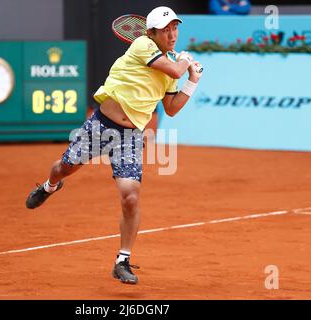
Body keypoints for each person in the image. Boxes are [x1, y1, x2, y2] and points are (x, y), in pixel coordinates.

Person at [25, 6, 203, 285]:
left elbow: (171, 108)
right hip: (100, 125)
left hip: (131, 137)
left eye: (175, 28)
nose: (172, 34)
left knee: (130, 196)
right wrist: (184, 63)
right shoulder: (143, 45)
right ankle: (48, 186)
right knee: (65, 167)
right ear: (152, 33)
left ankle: (122, 260)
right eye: (166, 29)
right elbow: (173, 68)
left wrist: (192, 82)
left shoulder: (170, 65)